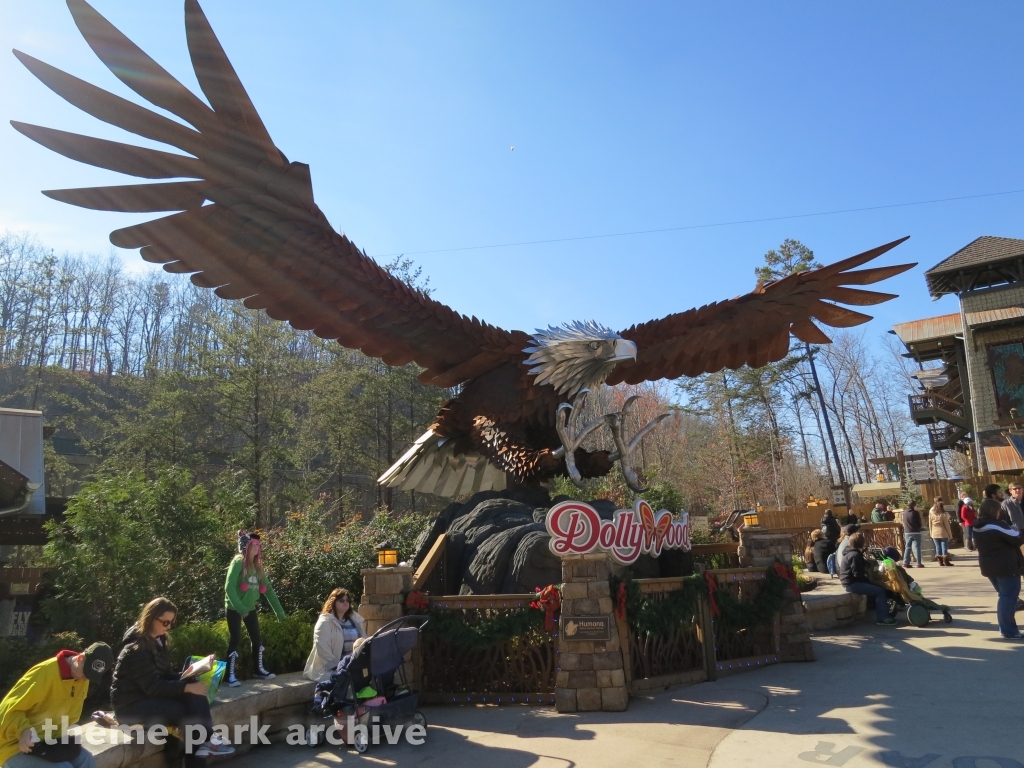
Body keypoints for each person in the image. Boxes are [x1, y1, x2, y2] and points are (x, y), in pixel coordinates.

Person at [111, 598, 233, 762]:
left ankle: (206, 742)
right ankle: (207, 741)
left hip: (147, 698)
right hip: (129, 707)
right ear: (151, 618)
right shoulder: (137, 648)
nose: (168, 627)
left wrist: (186, 676)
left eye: (171, 623)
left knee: (193, 693)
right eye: (165, 622)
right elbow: (152, 686)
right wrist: (186, 688)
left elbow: (162, 675)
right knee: (185, 712)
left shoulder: (158, 640)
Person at [0, 642, 113, 768]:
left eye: (90, 676)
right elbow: (6, 709)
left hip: (49, 742)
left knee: (87, 760)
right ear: (80, 658)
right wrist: (22, 730)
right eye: (85, 672)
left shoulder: (82, 679)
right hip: (14, 746)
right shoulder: (44, 672)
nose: (84, 679)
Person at [225, 532, 286, 686]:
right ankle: (229, 674)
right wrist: (240, 608)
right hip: (234, 607)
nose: (256, 548)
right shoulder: (238, 562)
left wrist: (279, 611)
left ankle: (258, 670)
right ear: (246, 547)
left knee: (257, 638)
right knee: (235, 638)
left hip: (250, 607)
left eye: (258, 546)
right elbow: (229, 587)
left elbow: (269, 590)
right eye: (253, 545)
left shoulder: (258, 566)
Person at [973, 500, 1024, 639]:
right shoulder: (997, 525)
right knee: (1008, 598)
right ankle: (1009, 631)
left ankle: (1005, 628)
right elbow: (1017, 539)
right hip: (1006, 566)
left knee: (1003, 597)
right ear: (995, 511)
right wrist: (1015, 530)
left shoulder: (977, 526)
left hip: (989, 566)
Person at [303, 588, 367, 683]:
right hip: (330, 669)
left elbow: (364, 641)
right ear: (333, 602)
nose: (345, 602)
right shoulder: (325, 622)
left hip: (353, 665)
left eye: (347, 600)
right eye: (341, 600)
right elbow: (323, 648)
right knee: (349, 679)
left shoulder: (355, 619)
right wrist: (338, 667)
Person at [841, 531, 897, 626]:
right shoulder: (855, 555)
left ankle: (883, 611)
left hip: (849, 581)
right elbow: (857, 574)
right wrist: (870, 581)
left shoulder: (850, 552)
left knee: (877, 587)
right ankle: (882, 618)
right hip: (851, 584)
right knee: (880, 591)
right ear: (862, 543)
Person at [928, 497, 953, 566]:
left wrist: (931, 532)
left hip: (934, 532)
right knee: (944, 546)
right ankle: (946, 560)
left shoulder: (931, 513)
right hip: (943, 531)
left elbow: (930, 524)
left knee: (937, 546)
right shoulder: (943, 514)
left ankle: (940, 561)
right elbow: (947, 525)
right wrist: (950, 535)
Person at [902, 500, 924, 568]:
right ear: (914, 505)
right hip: (915, 531)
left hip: (907, 532)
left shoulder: (904, 513)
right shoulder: (915, 513)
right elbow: (919, 522)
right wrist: (919, 527)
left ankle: (906, 562)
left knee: (907, 547)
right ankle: (918, 563)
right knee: (917, 547)